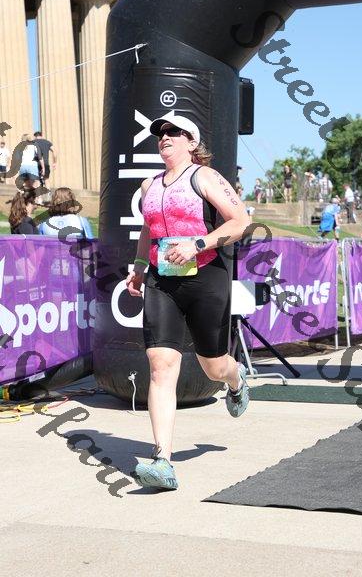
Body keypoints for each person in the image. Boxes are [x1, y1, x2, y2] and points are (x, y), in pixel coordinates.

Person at [125, 115, 251, 491]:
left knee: (213, 367)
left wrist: (197, 244)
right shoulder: (149, 184)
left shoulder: (204, 177)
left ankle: (236, 378)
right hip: (161, 280)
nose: (164, 137)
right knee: (160, 365)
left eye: (173, 132)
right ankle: (162, 461)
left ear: (191, 142)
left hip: (205, 278)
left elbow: (240, 221)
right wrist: (138, 268)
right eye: (160, 134)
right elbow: (148, 229)